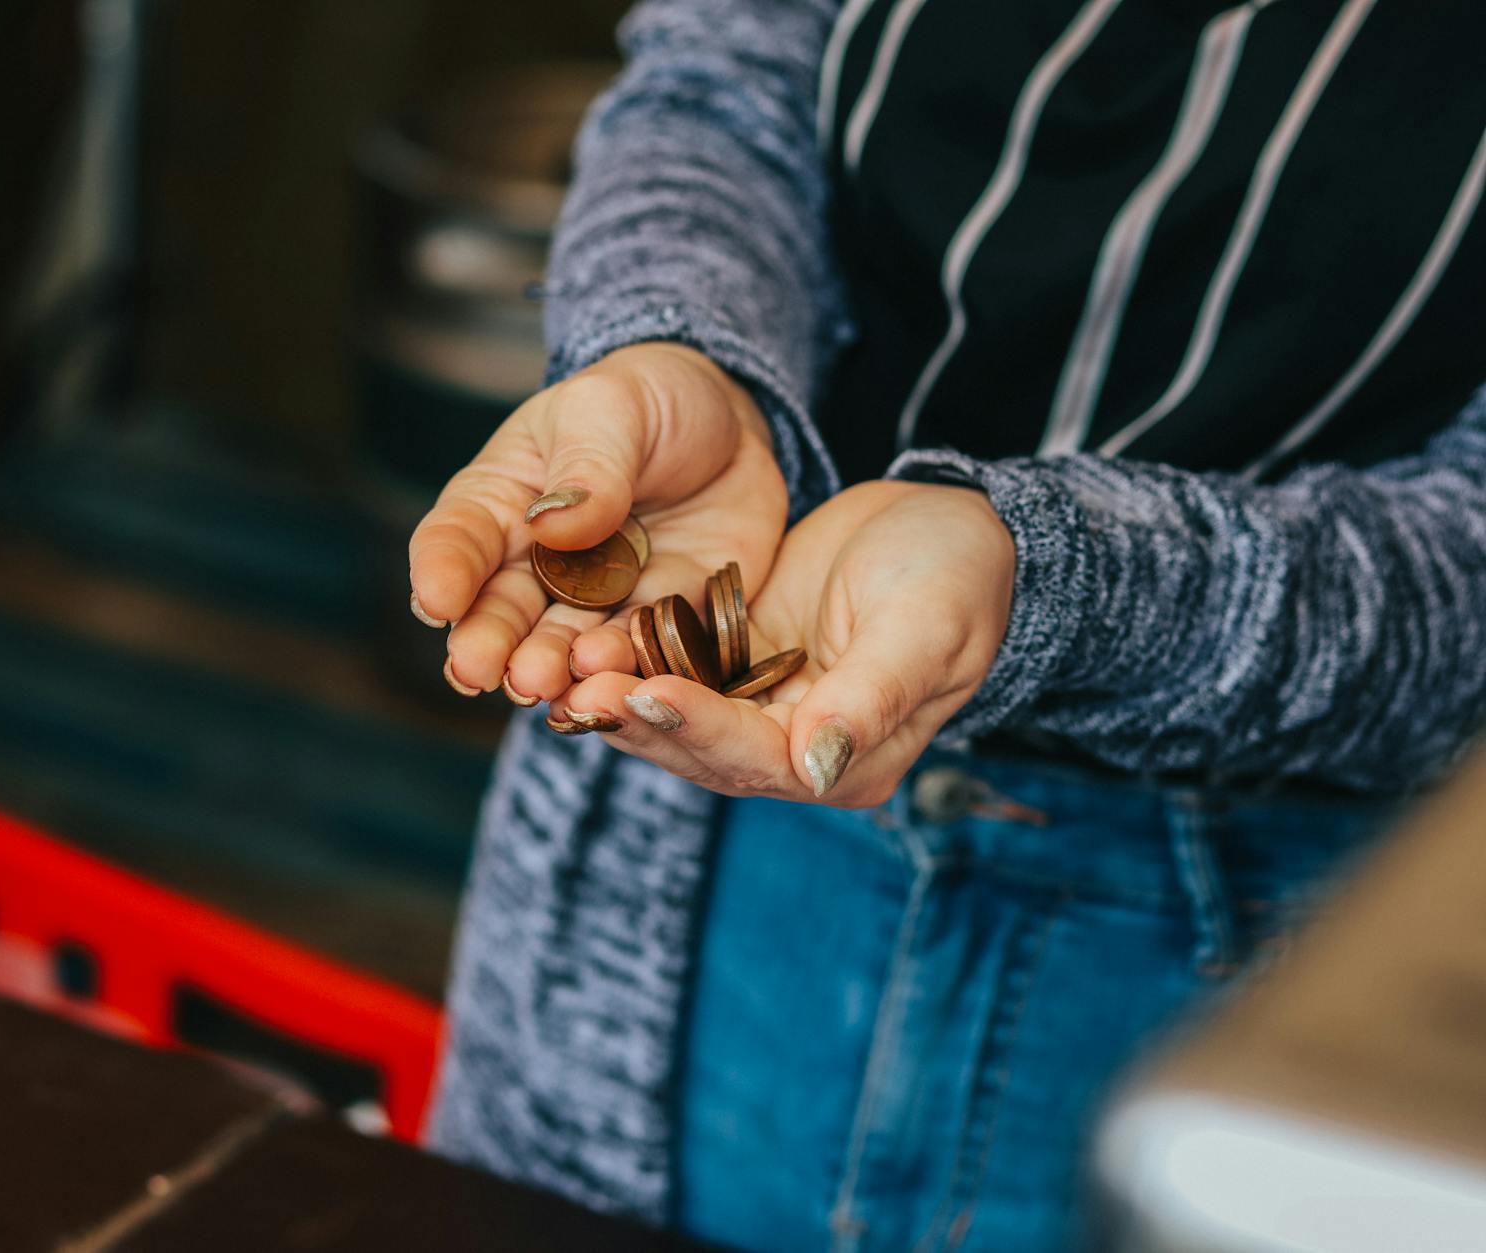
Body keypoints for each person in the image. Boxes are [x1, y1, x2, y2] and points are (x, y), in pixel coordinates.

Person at [406, 1, 1486, 1248]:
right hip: (687, 810)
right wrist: (677, 344)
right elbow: (724, 88)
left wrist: (1043, 579)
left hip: (1262, 968)